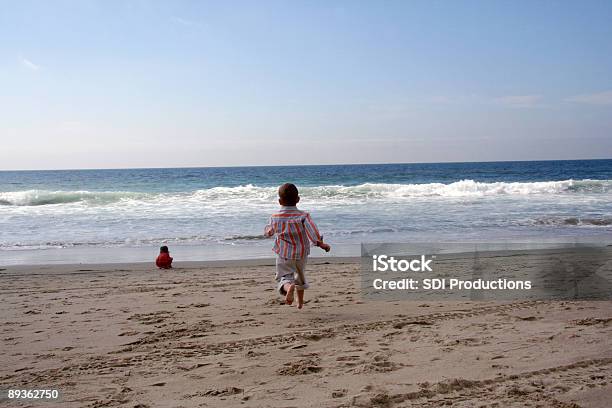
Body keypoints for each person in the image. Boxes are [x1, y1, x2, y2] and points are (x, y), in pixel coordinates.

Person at [264, 183, 330, 309]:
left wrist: (268, 232)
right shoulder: (303, 216)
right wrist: (320, 243)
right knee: (300, 276)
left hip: (283, 254)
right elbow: (312, 231)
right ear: (298, 199)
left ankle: (288, 287)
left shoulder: (274, 217)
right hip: (301, 253)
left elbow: (269, 232)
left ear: (279, 201)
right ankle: (300, 302)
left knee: (284, 277)